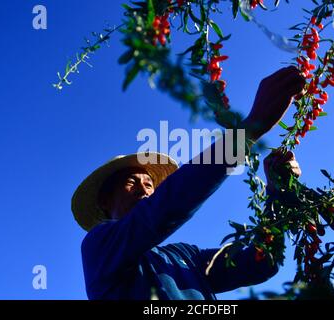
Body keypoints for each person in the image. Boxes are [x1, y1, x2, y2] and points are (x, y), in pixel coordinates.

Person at [71, 66, 306, 300]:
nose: (144, 189)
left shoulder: (187, 256)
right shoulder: (99, 247)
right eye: (132, 182)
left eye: (150, 184)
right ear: (104, 200)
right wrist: (247, 131)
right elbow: (164, 208)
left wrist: (278, 194)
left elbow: (262, 261)